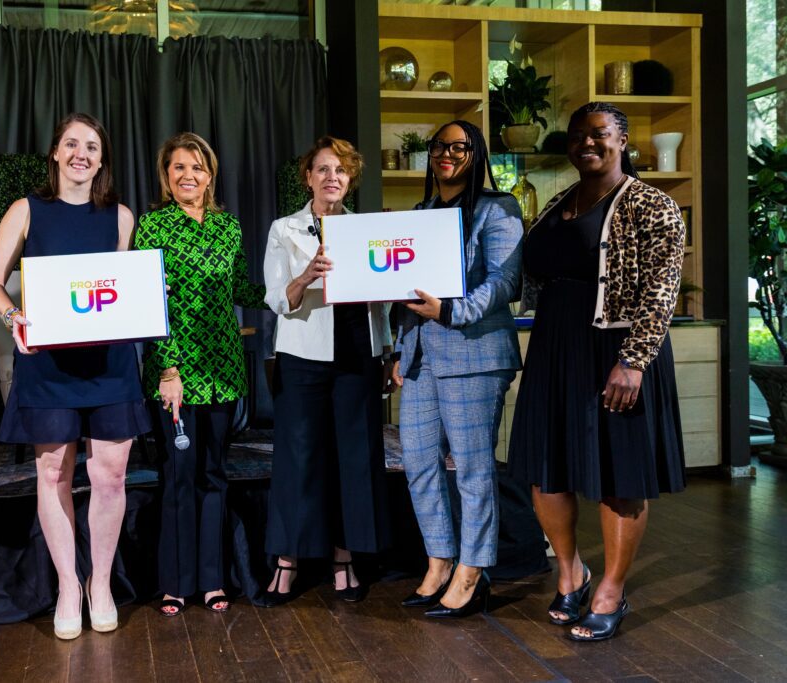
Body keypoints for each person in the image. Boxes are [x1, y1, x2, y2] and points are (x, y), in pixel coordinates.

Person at [507, 101, 686, 642]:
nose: (588, 142)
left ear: (623, 140)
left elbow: (661, 291)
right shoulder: (558, 203)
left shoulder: (652, 205)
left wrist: (633, 362)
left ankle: (610, 589)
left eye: (600, 133)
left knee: (620, 474)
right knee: (547, 467)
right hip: (555, 346)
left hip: (616, 347)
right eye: (578, 135)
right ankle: (571, 571)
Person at [0, 113, 151, 640]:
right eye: (72, 144)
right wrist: (15, 320)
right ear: (55, 152)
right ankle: (66, 586)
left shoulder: (121, 216)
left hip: (109, 364)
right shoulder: (25, 210)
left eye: (93, 147)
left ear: (101, 160)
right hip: (48, 364)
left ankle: (99, 584)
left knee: (110, 475)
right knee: (53, 473)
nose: (82, 154)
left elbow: (125, 288)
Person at [391, 120, 524, 618]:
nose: (447, 154)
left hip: (475, 354)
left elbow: (504, 282)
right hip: (422, 358)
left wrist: (451, 311)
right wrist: (401, 351)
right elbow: (407, 290)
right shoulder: (421, 213)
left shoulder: (497, 208)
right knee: (421, 466)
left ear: (476, 154)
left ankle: (474, 571)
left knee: (471, 471)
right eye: (439, 146)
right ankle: (439, 562)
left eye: (459, 146)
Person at [134, 132, 267, 616]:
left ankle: (212, 580)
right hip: (175, 374)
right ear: (166, 178)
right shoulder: (151, 227)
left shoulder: (228, 228)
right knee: (177, 475)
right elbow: (150, 302)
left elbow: (241, 290)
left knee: (213, 474)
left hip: (224, 370)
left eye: (198, 167)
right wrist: (168, 368)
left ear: (210, 176)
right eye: (178, 168)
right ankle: (176, 582)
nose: (188, 175)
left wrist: (294, 286)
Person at [260, 136, 392, 606]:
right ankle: (287, 562)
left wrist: (390, 351)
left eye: (340, 170)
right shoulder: (284, 229)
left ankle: (344, 558)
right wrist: (306, 276)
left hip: (359, 352)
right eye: (322, 169)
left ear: (350, 178)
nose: (331, 177)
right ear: (308, 178)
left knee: (354, 459)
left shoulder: (366, 229)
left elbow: (384, 300)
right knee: (298, 458)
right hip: (303, 354)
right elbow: (276, 299)